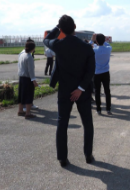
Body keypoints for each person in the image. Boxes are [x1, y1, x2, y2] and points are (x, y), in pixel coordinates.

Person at [44, 15, 95, 167]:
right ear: (75, 26)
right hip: (83, 91)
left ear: (61, 29)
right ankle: (88, 154)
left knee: (62, 123)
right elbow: (90, 70)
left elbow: (46, 39)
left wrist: (57, 28)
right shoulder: (86, 47)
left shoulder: (58, 45)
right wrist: (80, 88)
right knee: (87, 123)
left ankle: (62, 158)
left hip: (65, 90)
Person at [90, 33, 113, 115]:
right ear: (104, 40)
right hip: (106, 72)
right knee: (107, 91)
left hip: (97, 73)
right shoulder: (108, 48)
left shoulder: (94, 50)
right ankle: (108, 109)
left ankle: (98, 109)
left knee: (97, 92)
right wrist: (103, 40)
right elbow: (106, 44)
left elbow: (88, 47)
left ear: (96, 41)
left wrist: (92, 40)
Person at [17, 38, 39, 119]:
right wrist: (34, 81)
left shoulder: (21, 54)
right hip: (27, 78)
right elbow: (31, 70)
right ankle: (28, 113)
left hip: (21, 77)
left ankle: (20, 110)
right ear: (33, 48)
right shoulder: (29, 57)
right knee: (29, 95)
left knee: (21, 94)